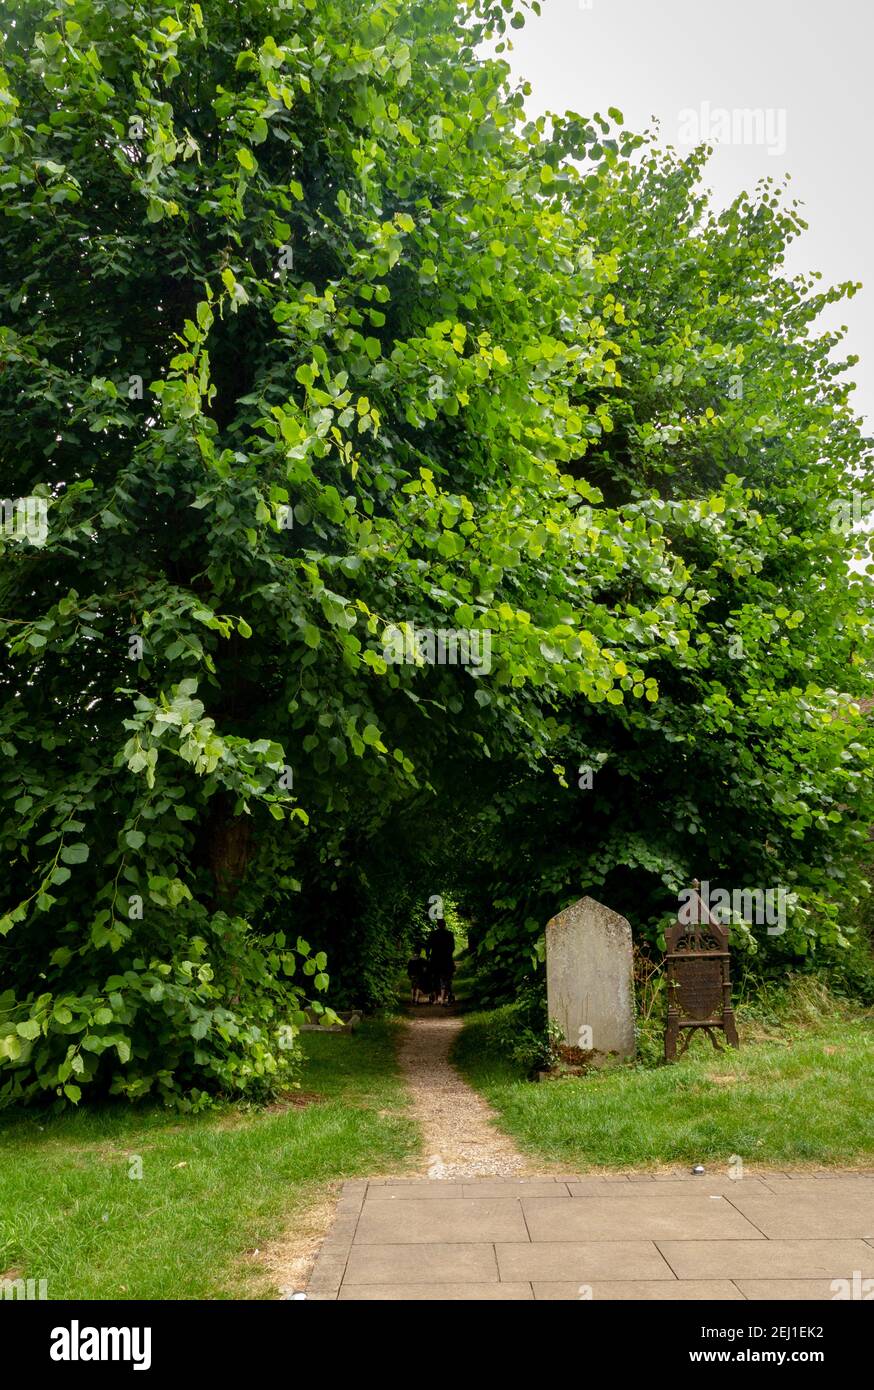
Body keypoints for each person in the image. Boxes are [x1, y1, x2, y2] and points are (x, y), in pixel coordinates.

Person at [425, 917, 455, 1004]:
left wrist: (428, 955)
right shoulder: (449, 934)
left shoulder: (433, 934)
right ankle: (446, 995)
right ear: (445, 925)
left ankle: (436, 998)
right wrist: (448, 954)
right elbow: (452, 947)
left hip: (435, 959)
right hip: (446, 959)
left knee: (434, 978)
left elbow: (428, 946)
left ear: (437, 925)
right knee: (447, 978)